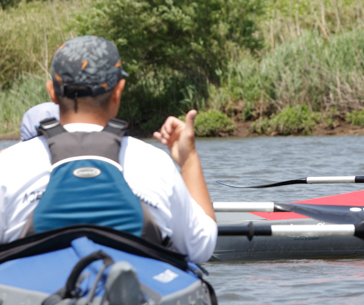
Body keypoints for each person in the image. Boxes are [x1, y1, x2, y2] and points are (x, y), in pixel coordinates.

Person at [0, 35, 217, 265]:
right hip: (132, 296)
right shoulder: (155, 164)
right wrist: (189, 158)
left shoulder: (9, 167)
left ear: (52, 92)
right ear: (118, 91)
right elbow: (201, 248)